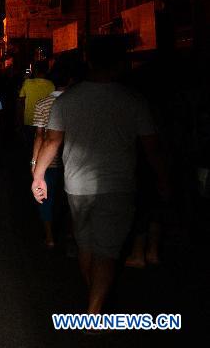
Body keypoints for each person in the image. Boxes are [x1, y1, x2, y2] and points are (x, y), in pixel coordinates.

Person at [32, 37, 169, 316]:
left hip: (76, 185)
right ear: (120, 63)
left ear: (89, 61)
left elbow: (52, 141)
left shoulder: (67, 100)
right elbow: (152, 148)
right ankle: (95, 313)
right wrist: (163, 180)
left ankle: (95, 303)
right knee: (106, 250)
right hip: (117, 186)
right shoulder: (133, 100)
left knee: (86, 245)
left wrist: (38, 175)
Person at [30, 59, 73, 248]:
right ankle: (72, 235)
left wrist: (34, 162)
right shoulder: (76, 102)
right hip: (73, 159)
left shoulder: (43, 103)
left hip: (48, 161)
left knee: (46, 198)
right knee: (71, 200)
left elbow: (40, 135)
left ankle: (49, 237)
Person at [18, 60, 54, 149]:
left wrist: (19, 120)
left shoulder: (27, 83)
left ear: (35, 70)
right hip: (45, 120)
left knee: (29, 146)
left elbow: (21, 102)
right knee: (42, 146)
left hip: (30, 119)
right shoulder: (51, 85)